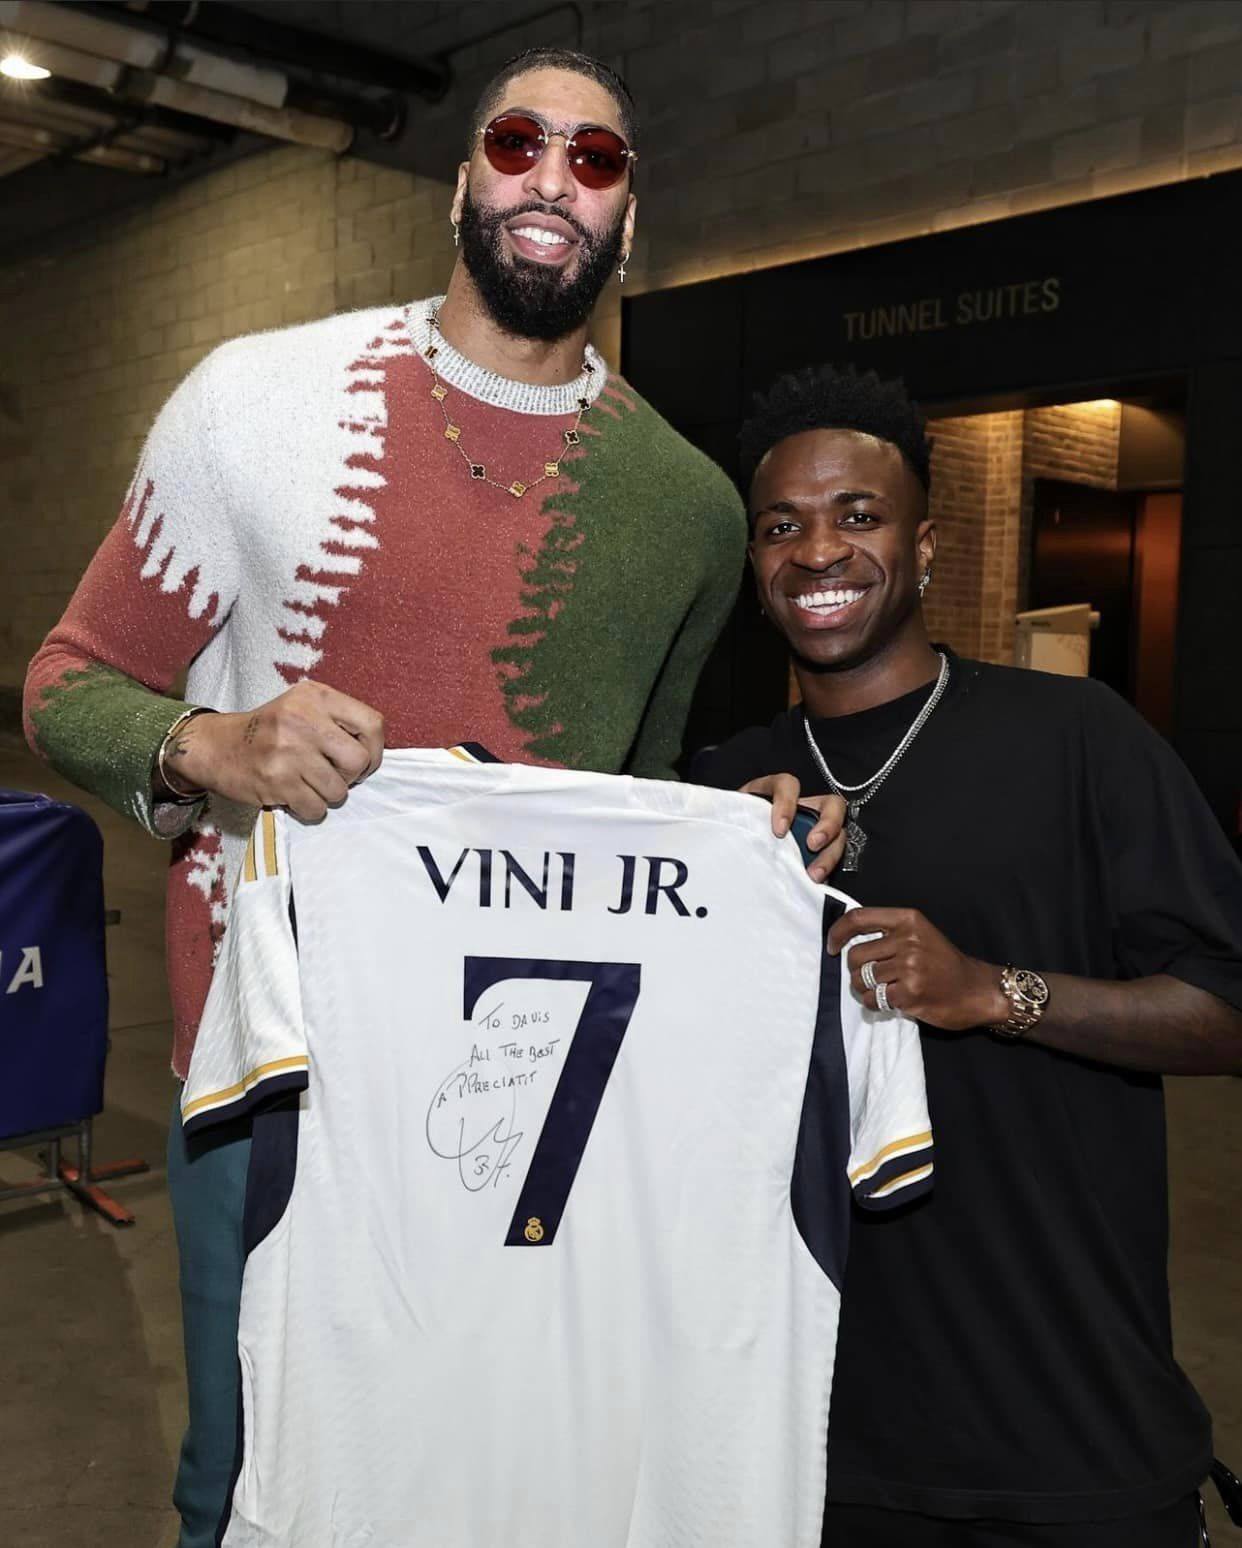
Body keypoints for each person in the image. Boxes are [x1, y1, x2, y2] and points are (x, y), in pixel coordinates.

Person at [24, 48, 840, 1548]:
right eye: (518, 142)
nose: (554, 177)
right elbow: (66, 682)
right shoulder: (252, 405)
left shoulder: (687, 510)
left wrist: (755, 835)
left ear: (628, 217)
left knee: (503, 1476)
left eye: (596, 161)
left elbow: (636, 794)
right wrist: (214, 751)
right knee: (251, 1481)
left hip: (545, 1090)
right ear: (463, 179)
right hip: (267, 1069)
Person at [694, 364, 1242, 1547]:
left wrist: (997, 991)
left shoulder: (1074, 739)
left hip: (1065, 1430)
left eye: (857, 516)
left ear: (927, 543)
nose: (817, 551)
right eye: (781, 527)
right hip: (810, 1438)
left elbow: (1225, 1008)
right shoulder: (717, 786)